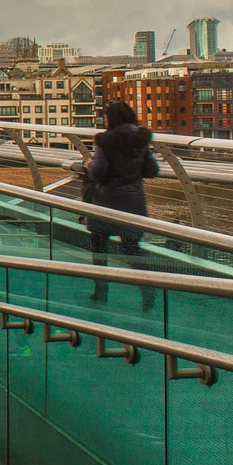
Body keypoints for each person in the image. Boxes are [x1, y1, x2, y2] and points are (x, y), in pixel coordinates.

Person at [85, 100, 159, 310]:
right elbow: (152, 170)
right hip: (134, 204)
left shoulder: (106, 141)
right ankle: (148, 293)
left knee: (99, 248)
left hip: (105, 204)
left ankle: (101, 292)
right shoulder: (141, 140)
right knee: (133, 250)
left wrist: (89, 165)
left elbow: (97, 172)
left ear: (111, 119)